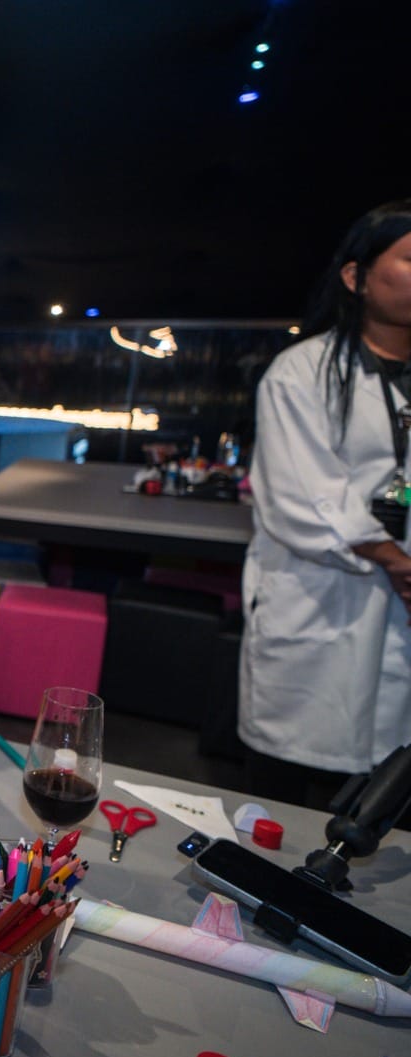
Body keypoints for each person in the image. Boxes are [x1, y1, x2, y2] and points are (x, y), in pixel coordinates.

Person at [240, 199, 411, 804]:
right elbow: (303, 496)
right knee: (288, 805)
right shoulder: (301, 373)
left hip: (397, 616)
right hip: (318, 608)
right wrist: (394, 560)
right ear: (356, 276)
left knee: (387, 806)